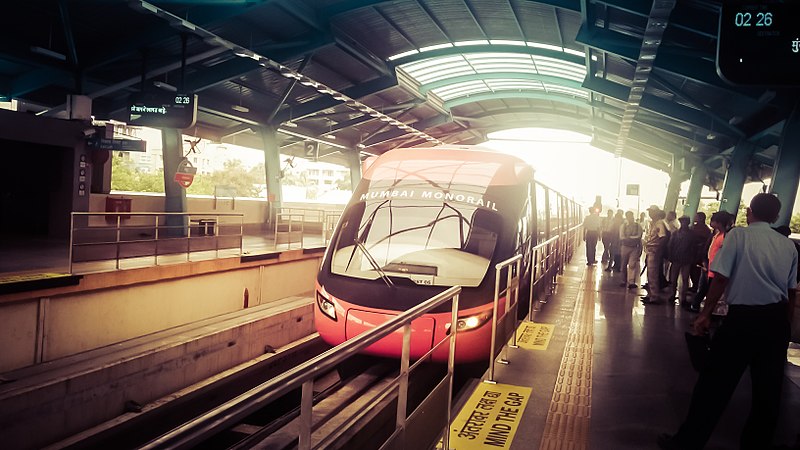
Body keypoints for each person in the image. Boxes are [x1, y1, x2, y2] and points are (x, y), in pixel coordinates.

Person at [658, 193, 797, 450]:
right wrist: (785, 328)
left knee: (713, 386)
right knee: (768, 392)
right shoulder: (788, 245)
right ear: (776, 216)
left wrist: (705, 313)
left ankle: (688, 442)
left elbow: (720, 278)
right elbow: (790, 292)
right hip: (775, 322)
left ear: (749, 213)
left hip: (742, 321)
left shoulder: (738, 236)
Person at [687, 211, 734, 312]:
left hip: (715, 270)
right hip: (709, 267)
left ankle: (709, 313)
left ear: (719, 222)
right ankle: (703, 310)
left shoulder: (725, 236)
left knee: (711, 292)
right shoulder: (717, 234)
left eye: (714, 221)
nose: (711, 223)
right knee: (705, 289)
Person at [666, 216, 697, 305]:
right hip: (677, 258)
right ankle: (673, 294)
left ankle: (683, 297)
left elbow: (694, 248)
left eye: (685, 222)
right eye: (682, 222)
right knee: (673, 278)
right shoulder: (676, 233)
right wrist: (670, 256)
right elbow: (670, 246)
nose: (684, 224)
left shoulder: (690, 234)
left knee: (685, 278)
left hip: (686, 259)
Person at [642, 206, 669, 304]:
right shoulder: (653, 223)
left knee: (653, 274)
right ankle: (651, 294)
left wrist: (658, 250)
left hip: (654, 251)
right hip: (650, 250)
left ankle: (654, 296)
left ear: (656, 213)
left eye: (652, 212)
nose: (650, 214)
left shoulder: (660, 224)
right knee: (650, 273)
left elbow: (663, 238)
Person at [618, 211, 643, 289]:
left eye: (631, 216)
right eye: (628, 216)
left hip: (634, 247)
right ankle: (623, 280)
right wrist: (633, 237)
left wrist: (629, 237)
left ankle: (631, 281)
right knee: (623, 264)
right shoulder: (623, 226)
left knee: (632, 264)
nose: (630, 217)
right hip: (625, 247)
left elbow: (639, 236)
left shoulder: (638, 226)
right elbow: (621, 236)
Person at [689, 212, 712, 292]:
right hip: (693, 252)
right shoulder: (694, 228)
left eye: (696, 217)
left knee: (696, 270)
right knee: (692, 270)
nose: (695, 218)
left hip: (698, 253)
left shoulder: (705, 230)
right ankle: (695, 285)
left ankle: (696, 286)